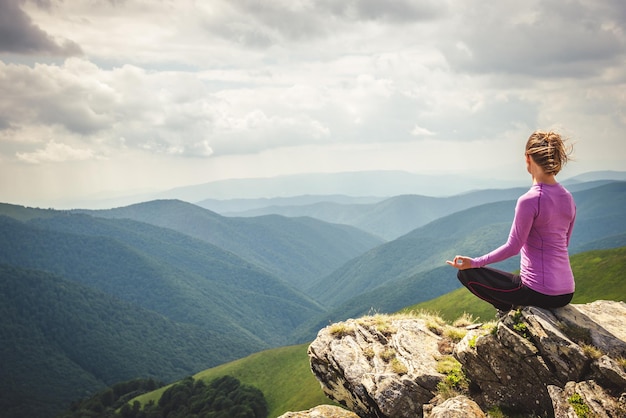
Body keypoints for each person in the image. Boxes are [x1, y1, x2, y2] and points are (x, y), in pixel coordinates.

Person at [446, 130, 576, 316]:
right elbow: (565, 243)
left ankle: (506, 309)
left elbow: (513, 247)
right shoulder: (568, 197)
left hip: (538, 292)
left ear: (527, 158)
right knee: (514, 280)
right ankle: (513, 307)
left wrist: (475, 262)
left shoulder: (530, 199)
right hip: (567, 292)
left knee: (466, 274)